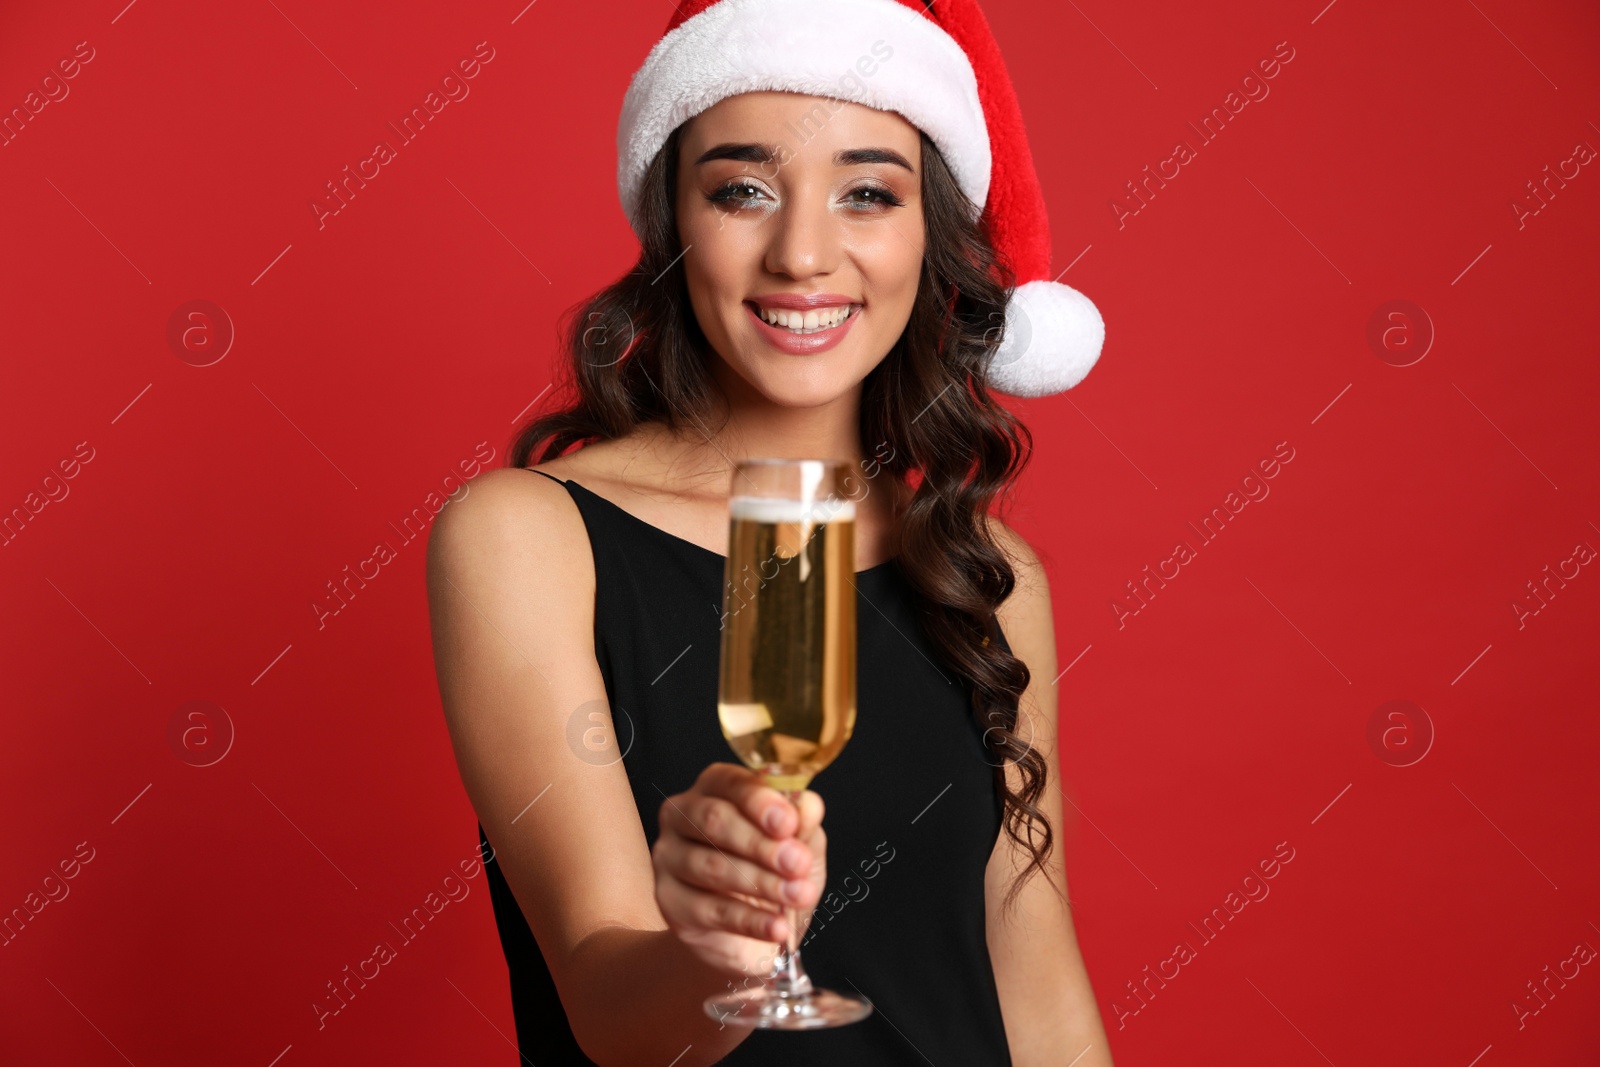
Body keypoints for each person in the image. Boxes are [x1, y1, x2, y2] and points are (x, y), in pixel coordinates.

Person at [426, 1, 1111, 1063]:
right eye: (742, 190)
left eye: (868, 193)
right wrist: (725, 949)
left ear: (929, 231)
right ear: (674, 222)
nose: (801, 252)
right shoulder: (529, 538)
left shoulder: (991, 577)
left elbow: (1035, 978)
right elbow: (612, 1020)